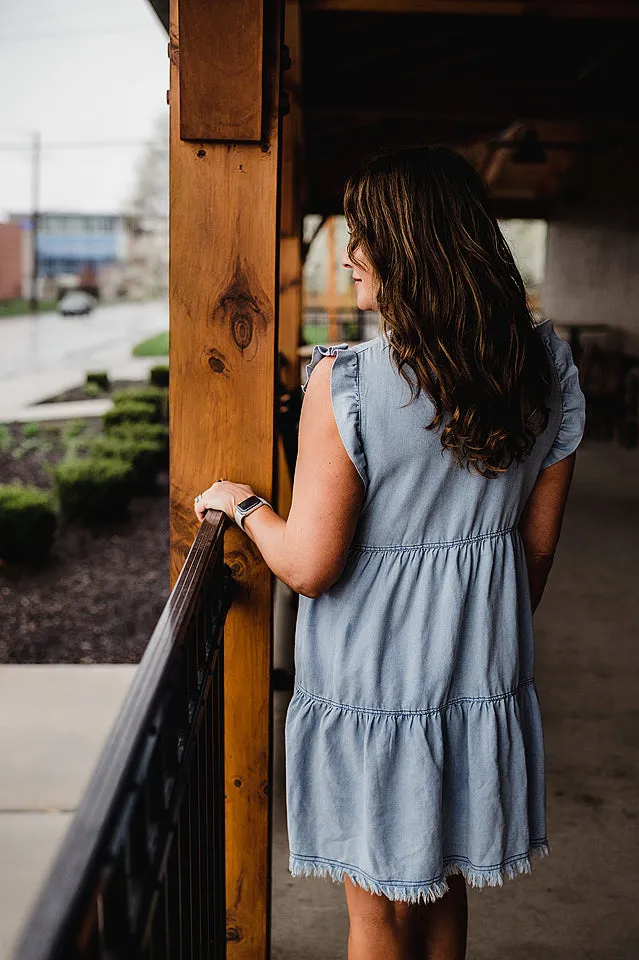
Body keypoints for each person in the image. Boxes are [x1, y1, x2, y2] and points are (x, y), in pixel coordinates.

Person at [193, 144, 587, 960]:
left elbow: (306, 564)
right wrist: (475, 639)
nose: (348, 254)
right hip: (477, 672)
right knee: (439, 886)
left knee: (375, 914)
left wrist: (244, 504)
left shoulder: (348, 382)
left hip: (370, 682)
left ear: (411, 249)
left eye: (362, 234)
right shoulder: (544, 363)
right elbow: (535, 550)